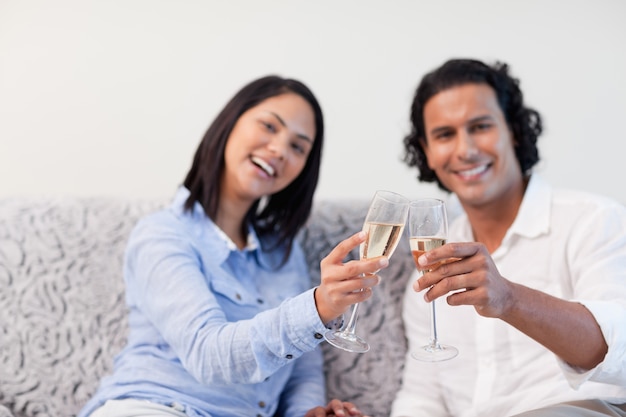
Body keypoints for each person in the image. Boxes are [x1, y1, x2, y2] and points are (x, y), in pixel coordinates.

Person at [78, 75, 387, 417]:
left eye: (298, 147)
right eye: (269, 126)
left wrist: (306, 413)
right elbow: (208, 355)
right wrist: (317, 307)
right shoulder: (162, 235)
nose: (280, 150)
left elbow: (303, 366)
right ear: (230, 123)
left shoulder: (283, 253)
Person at [390, 59, 626, 416]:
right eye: (444, 135)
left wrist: (510, 299)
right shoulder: (427, 271)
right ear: (427, 152)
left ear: (513, 130)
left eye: (480, 126)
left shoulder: (593, 220)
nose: (465, 150)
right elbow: (421, 397)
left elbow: (618, 351)